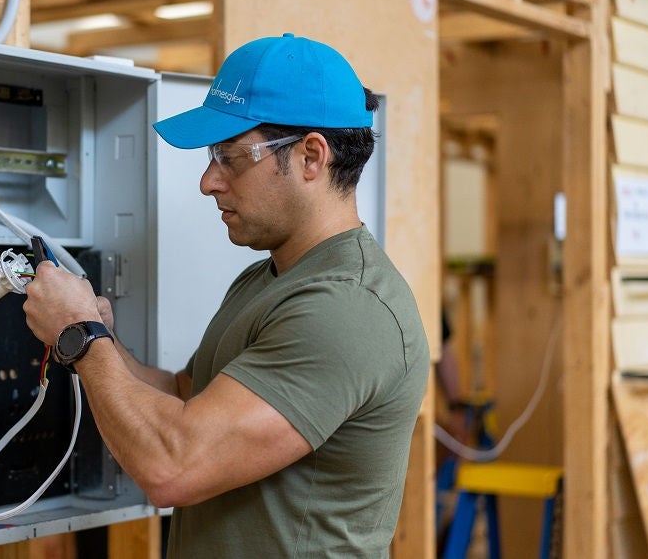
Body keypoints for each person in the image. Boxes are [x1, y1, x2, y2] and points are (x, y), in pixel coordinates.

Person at [23, 33, 430, 558]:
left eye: (232, 157)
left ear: (311, 157)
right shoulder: (269, 279)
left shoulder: (345, 307)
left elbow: (173, 467)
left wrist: (80, 336)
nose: (208, 181)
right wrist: (99, 337)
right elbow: (186, 397)